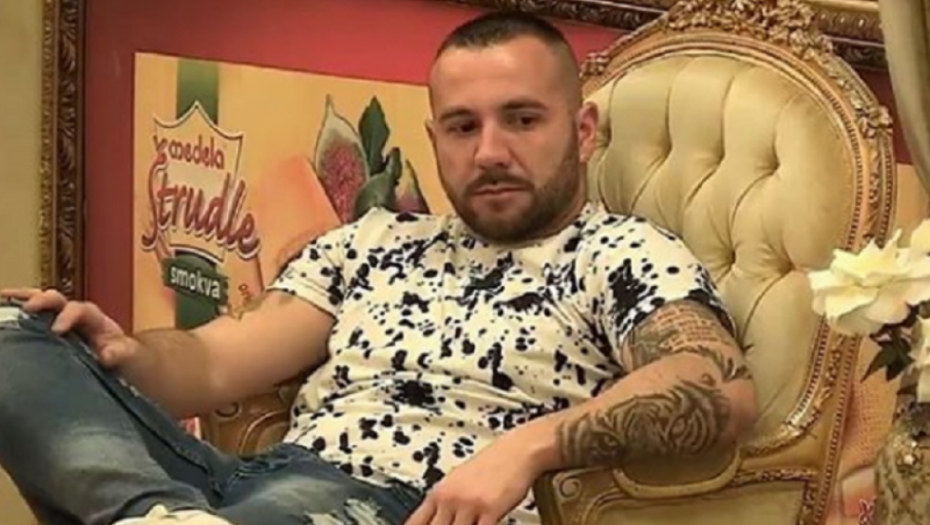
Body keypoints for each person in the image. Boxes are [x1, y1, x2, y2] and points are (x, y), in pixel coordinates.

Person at [0, 10, 758, 525]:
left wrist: (528, 449)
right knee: (11, 330)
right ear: (434, 138)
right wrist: (120, 354)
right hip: (254, 479)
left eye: (523, 119)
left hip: (393, 503)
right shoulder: (374, 241)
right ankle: (153, 514)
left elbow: (715, 384)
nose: (490, 151)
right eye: (462, 127)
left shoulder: (621, 253)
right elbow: (212, 360)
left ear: (583, 130)